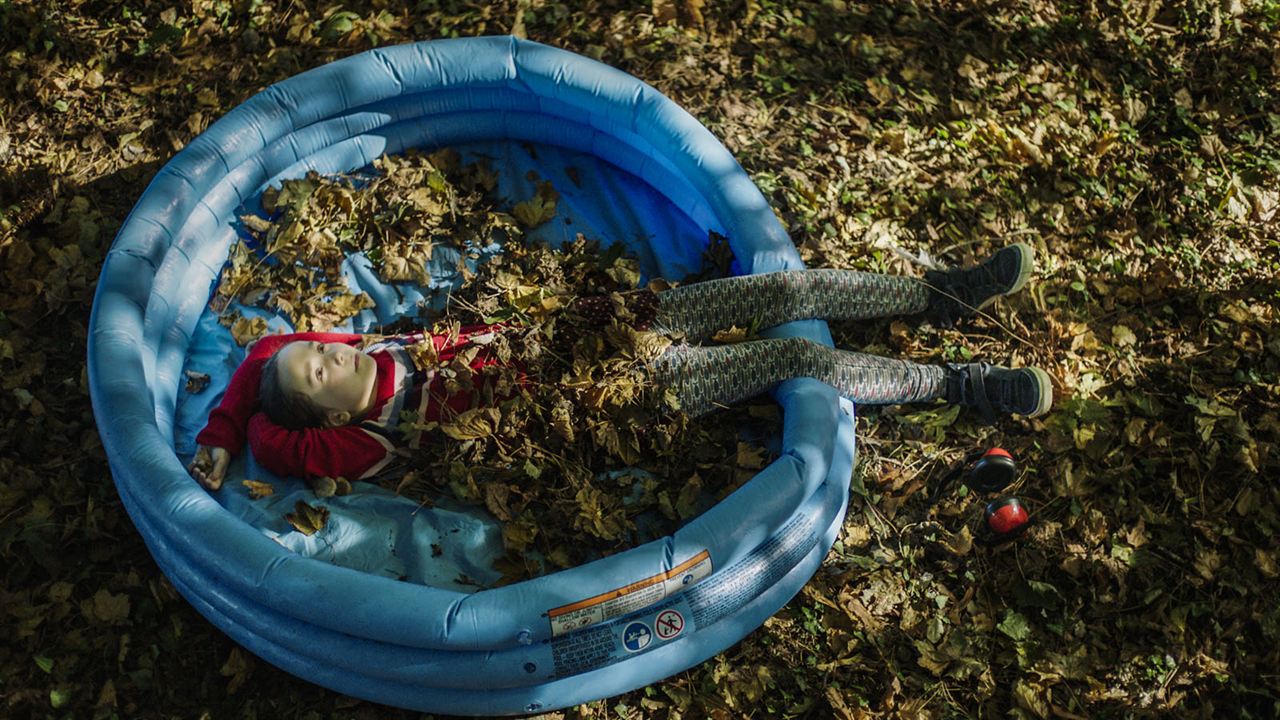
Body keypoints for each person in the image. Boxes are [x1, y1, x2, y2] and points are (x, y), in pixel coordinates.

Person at [188, 243, 1052, 490]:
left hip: (593, 329)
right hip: (619, 395)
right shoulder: (364, 439)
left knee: (780, 287)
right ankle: (956, 387)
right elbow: (271, 437)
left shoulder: (367, 352)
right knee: (791, 353)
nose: (319, 351)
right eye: (314, 371)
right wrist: (233, 437)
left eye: (314, 347)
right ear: (332, 417)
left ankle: (936, 295)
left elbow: (262, 355)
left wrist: (231, 404)